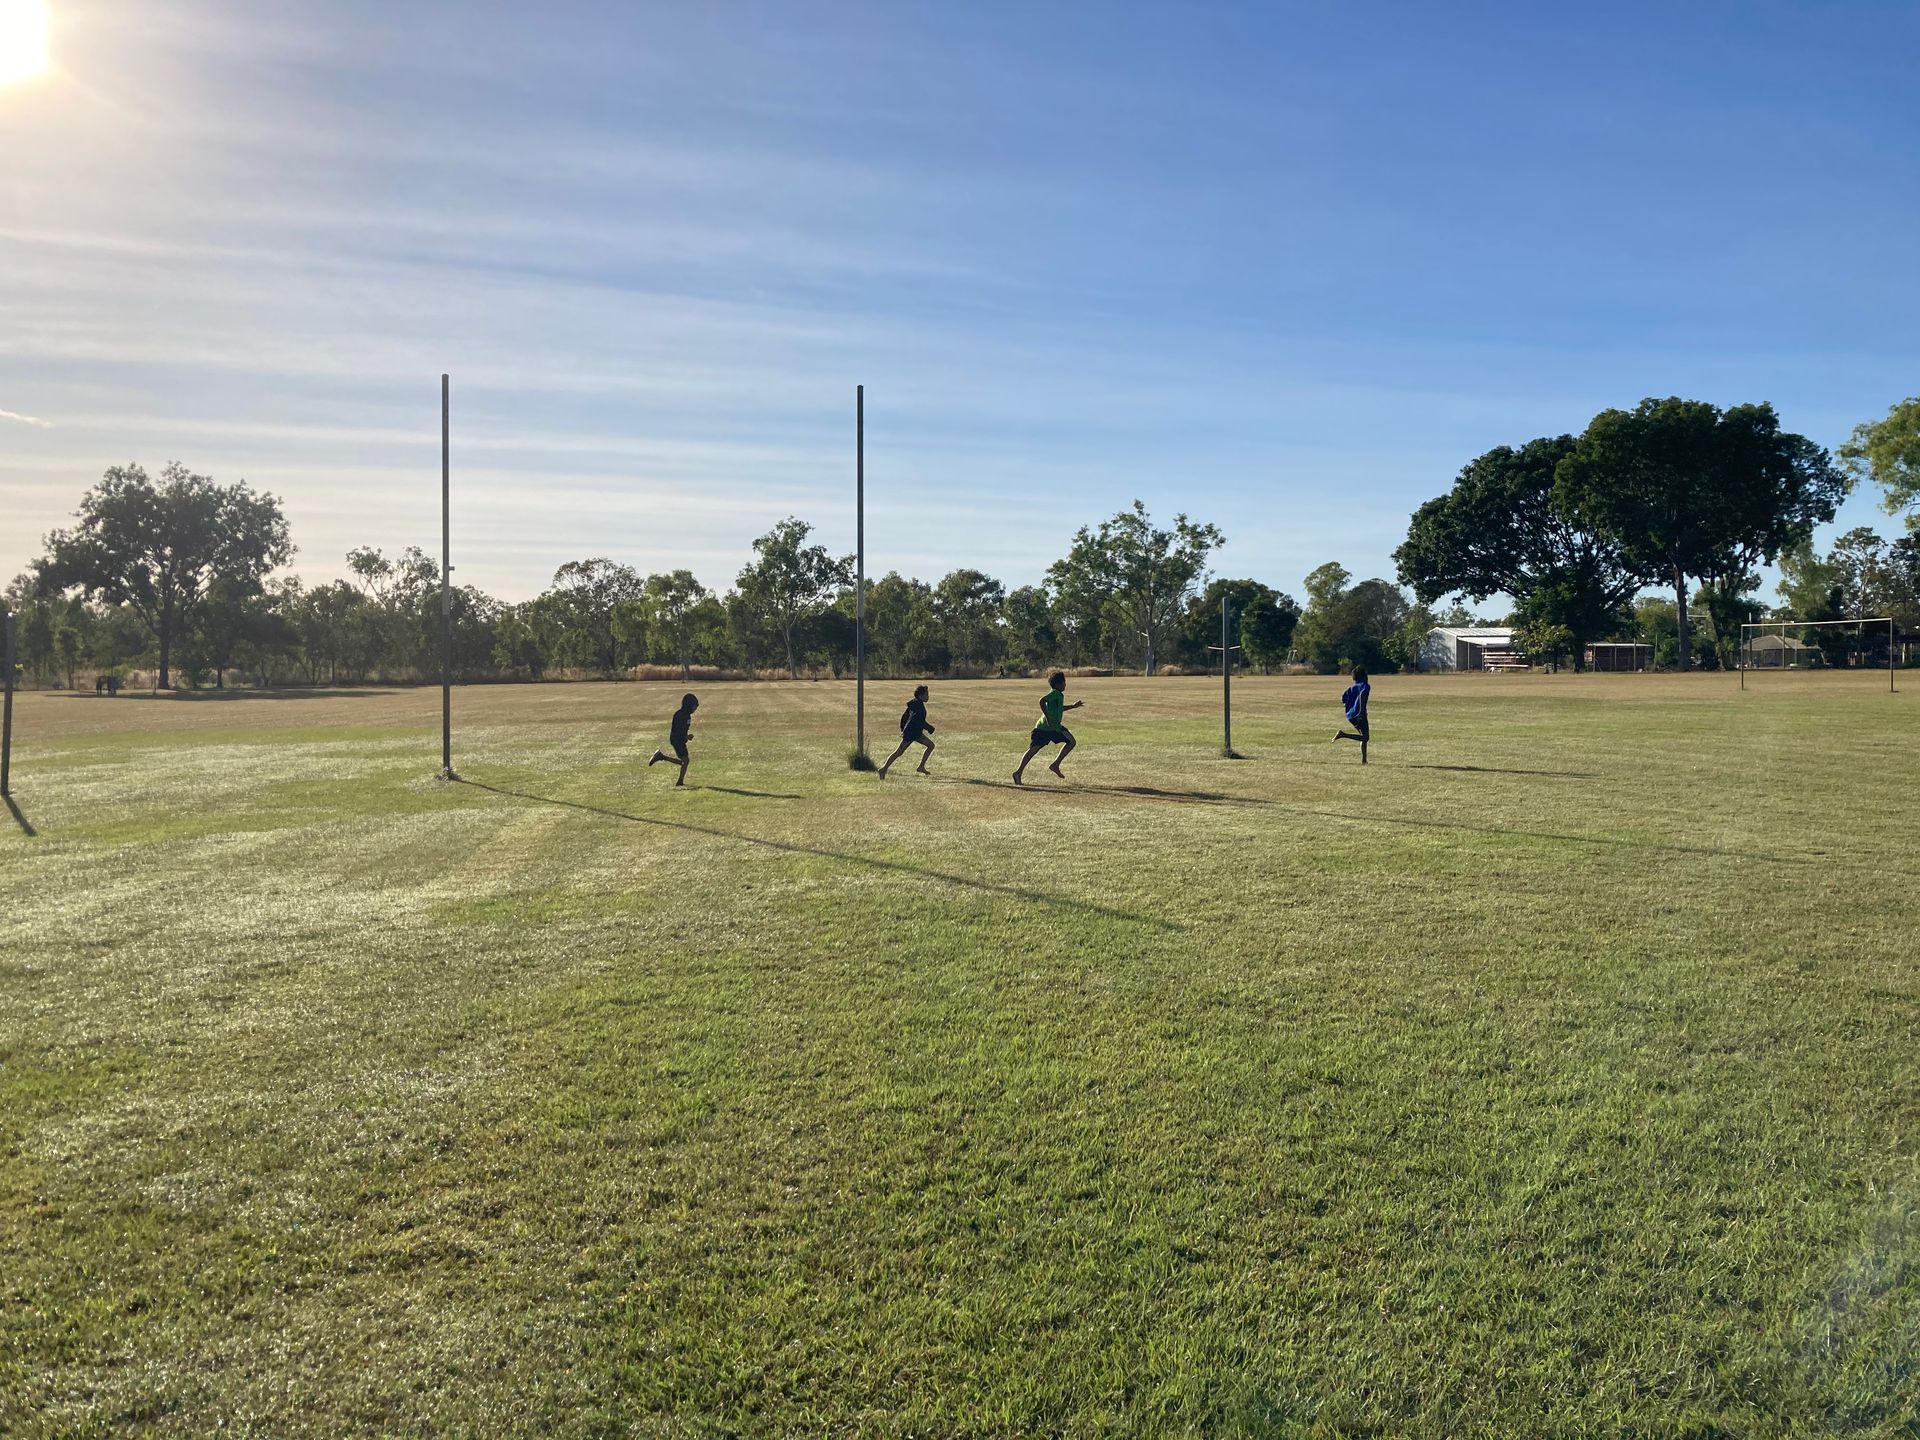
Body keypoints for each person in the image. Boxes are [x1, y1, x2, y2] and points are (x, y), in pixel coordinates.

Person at [1014, 671, 1083, 784]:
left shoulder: (1057, 694)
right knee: (1034, 750)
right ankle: (1019, 772)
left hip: (1054, 728)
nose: (1065, 685)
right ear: (1058, 684)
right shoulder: (1055, 693)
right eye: (1064, 682)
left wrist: (1073, 706)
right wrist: (1047, 716)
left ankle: (1054, 765)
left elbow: (1059, 708)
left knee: (1071, 741)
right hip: (1045, 728)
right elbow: (1042, 700)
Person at [879, 684, 936, 778]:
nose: (928, 696)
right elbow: (916, 720)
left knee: (930, 745)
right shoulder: (919, 707)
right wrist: (929, 728)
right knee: (899, 752)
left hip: (915, 733)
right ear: (921, 696)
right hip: (912, 734)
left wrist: (904, 729)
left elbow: (905, 718)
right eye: (926, 694)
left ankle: (921, 767)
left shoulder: (914, 704)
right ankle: (883, 769)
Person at [648, 692, 699, 786]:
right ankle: (680, 781)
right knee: (685, 761)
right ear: (689, 706)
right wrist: (686, 737)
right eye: (694, 707)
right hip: (677, 740)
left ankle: (661, 757)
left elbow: (683, 729)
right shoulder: (681, 715)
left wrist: (686, 736)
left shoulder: (685, 715)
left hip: (679, 740)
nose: (695, 709)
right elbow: (679, 730)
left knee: (684, 762)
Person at [1334, 666, 1370, 764]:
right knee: (1365, 737)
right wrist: (1362, 711)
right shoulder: (1365, 685)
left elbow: (1343, 699)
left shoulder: (1351, 688)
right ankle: (1343, 734)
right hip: (1360, 714)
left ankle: (1364, 760)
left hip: (1351, 715)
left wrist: (1350, 706)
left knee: (1363, 736)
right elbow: (1363, 696)